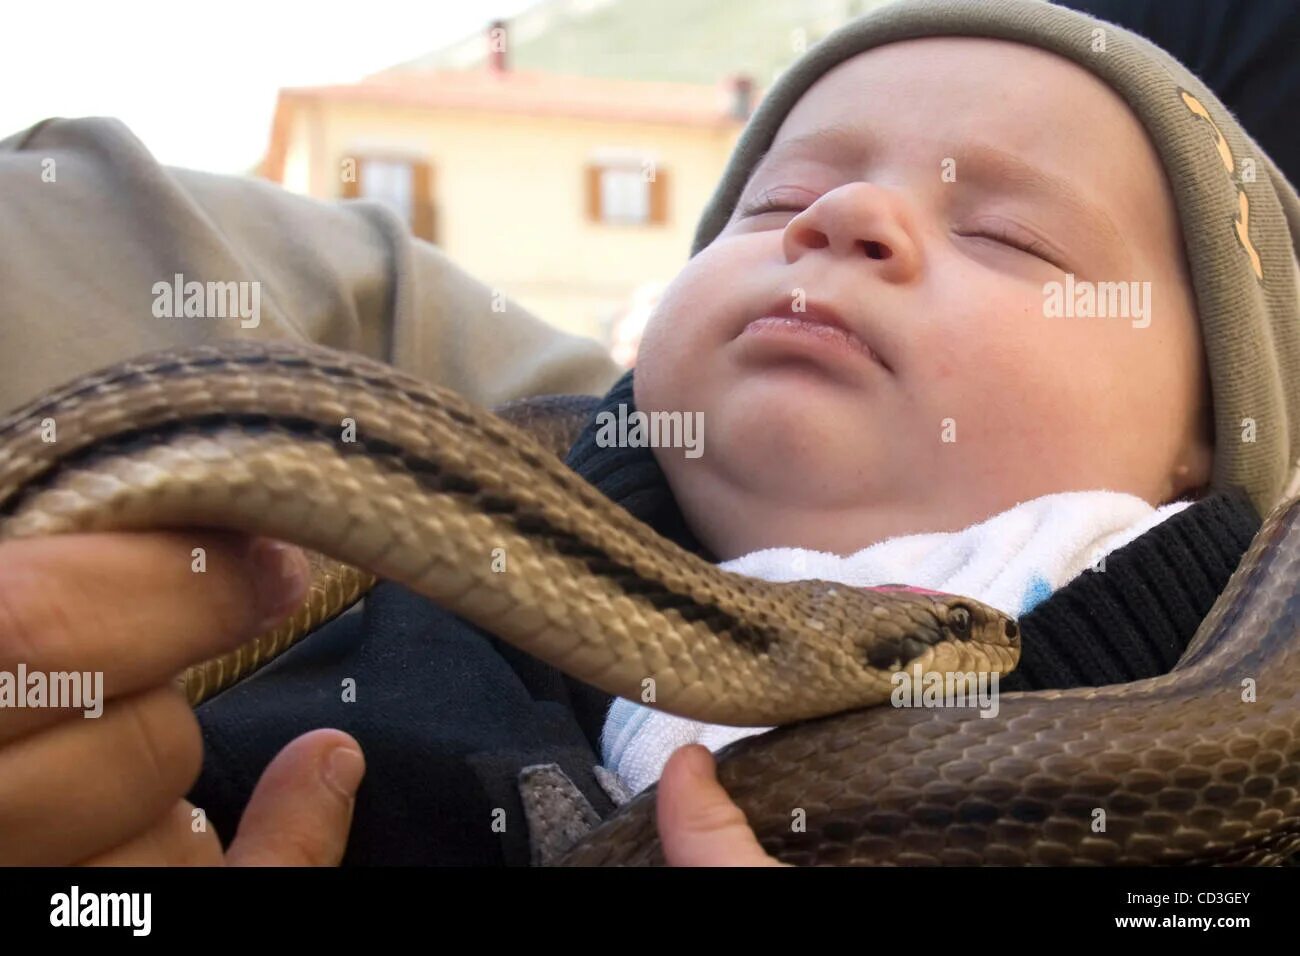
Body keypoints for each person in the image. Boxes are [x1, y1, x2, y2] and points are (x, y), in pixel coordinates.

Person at [1, 0, 1297, 867]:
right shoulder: (405, 618)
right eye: (779, 198)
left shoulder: (1235, 708)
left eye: (1008, 233)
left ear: (1209, 437)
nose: (844, 218)